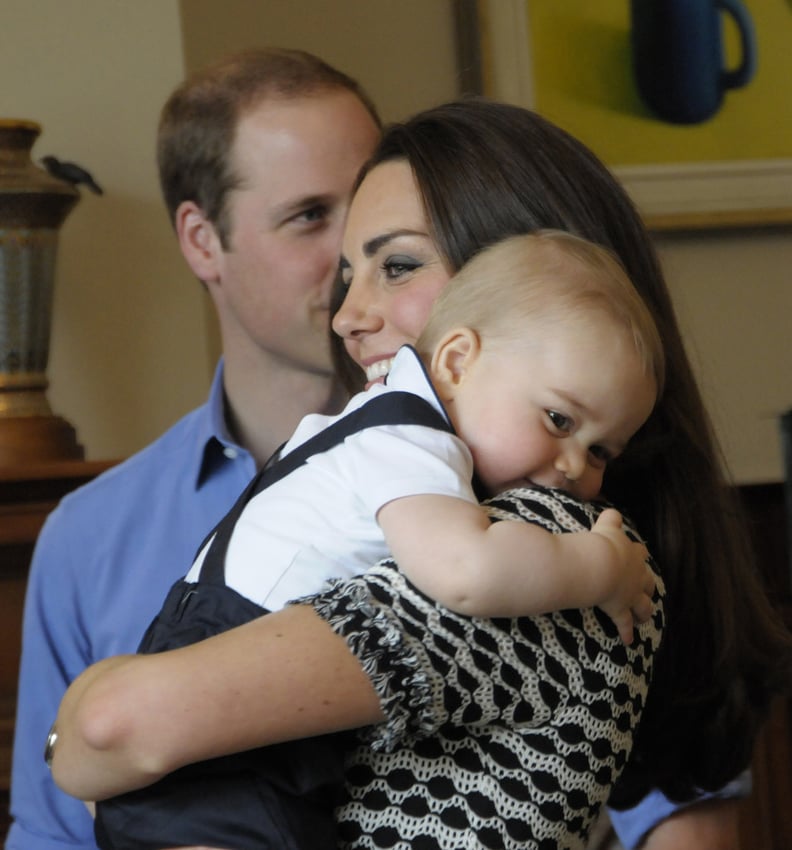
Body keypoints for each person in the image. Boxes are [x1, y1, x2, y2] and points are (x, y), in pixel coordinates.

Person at [49, 101, 792, 850]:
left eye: (397, 264)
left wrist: (80, 728)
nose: (346, 315)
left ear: (530, 277)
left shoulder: (548, 552)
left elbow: (114, 727)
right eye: (349, 270)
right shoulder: (441, 491)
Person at [92, 230, 662, 849]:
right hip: (232, 679)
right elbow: (468, 571)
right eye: (559, 419)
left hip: (213, 676)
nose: (575, 467)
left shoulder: (375, 426)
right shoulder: (409, 440)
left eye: (601, 449)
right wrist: (597, 566)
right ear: (457, 362)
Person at [6, 47, 381, 850]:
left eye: (372, 203)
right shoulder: (88, 538)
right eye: (310, 215)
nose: (358, 255)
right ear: (203, 241)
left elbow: (668, 798)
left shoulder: (499, 470)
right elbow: (50, 837)